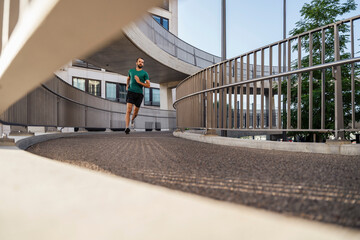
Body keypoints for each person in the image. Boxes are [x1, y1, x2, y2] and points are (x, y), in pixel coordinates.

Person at [124, 57, 150, 134]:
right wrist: (127, 85)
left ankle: (132, 119)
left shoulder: (145, 73)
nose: (141, 63)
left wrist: (139, 82)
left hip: (139, 94)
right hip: (131, 92)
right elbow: (128, 78)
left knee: (135, 112)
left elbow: (148, 85)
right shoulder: (131, 71)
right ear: (136, 62)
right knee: (128, 110)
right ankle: (127, 128)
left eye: (142, 62)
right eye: (139, 61)